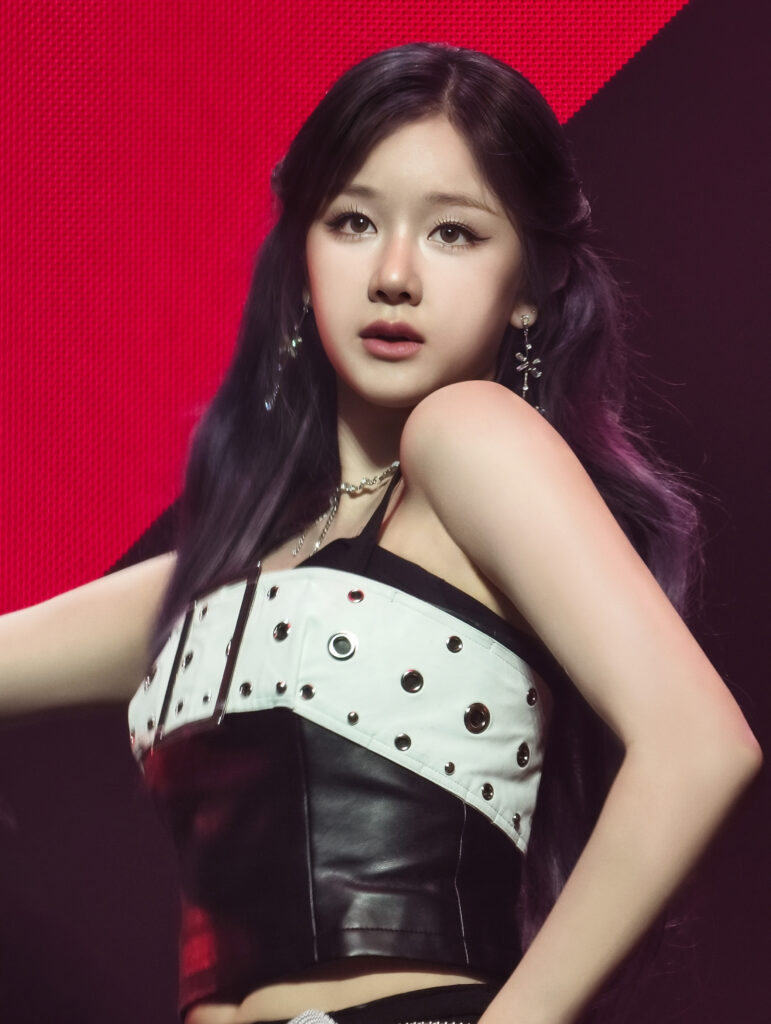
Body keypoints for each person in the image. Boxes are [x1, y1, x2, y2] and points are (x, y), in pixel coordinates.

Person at [0, 43, 761, 1024]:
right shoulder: (231, 570)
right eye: (354, 222)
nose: (394, 275)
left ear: (529, 284)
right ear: (301, 256)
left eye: (453, 233)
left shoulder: (468, 434)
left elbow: (698, 745)